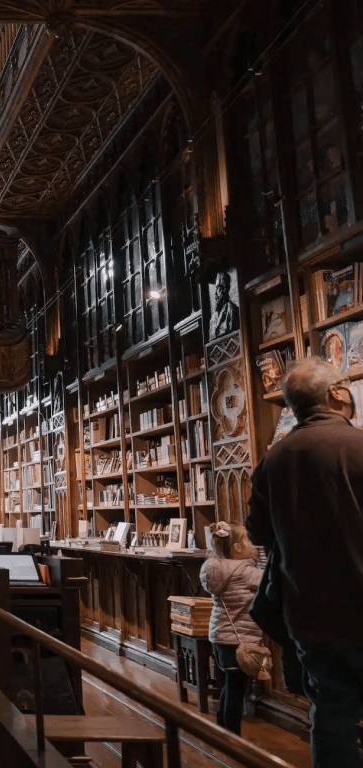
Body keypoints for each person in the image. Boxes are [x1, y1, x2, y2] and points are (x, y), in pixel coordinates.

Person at [247, 357, 363, 768]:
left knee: (330, 715)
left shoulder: (273, 460)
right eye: (345, 382)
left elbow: (258, 534)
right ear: (336, 394)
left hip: (310, 614)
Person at [200, 521, 262, 735]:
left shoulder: (215, 568)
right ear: (237, 548)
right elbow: (267, 581)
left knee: (228, 683)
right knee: (237, 689)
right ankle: (233, 736)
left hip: (219, 636)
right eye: (247, 540)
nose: (252, 544)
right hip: (240, 638)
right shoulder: (245, 571)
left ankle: (221, 728)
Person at [208, 270, 239, 340]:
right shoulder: (213, 317)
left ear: (225, 289)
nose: (215, 293)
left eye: (219, 288)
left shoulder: (232, 309)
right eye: (216, 288)